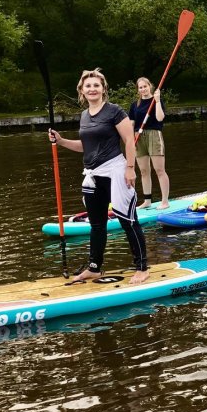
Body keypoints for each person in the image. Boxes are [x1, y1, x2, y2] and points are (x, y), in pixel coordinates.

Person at [48, 68, 149, 284]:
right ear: (82, 91)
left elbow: (129, 140)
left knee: (128, 220)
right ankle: (94, 268)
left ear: (103, 89)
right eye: (88, 86)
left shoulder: (114, 111)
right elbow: (86, 146)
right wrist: (61, 140)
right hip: (93, 175)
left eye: (96, 85)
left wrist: (130, 168)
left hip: (116, 170)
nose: (92, 89)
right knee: (96, 225)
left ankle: (142, 267)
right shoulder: (84, 115)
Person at [128, 77, 169, 209]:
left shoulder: (156, 101)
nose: (143, 89)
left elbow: (160, 118)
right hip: (138, 137)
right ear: (138, 90)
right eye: (140, 87)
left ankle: (164, 201)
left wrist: (157, 101)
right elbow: (131, 123)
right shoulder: (135, 105)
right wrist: (130, 139)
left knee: (159, 170)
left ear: (150, 86)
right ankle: (147, 201)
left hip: (154, 134)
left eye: (145, 86)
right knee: (144, 171)